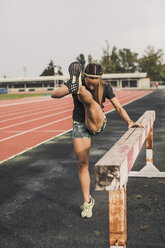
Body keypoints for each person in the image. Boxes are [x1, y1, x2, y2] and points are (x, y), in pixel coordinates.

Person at [51, 62, 143, 218]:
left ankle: (81, 91)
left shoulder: (105, 87)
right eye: (89, 84)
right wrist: (71, 87)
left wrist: (129, 121)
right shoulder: (77, 80)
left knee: (89, 100)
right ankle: (87, 202)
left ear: (100, 79)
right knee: (82, 164)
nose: (92, 87)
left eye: (95, 85)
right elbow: (55, 94)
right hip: (80, 124)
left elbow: (119, 107)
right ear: (84, 76)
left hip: (97, 120)